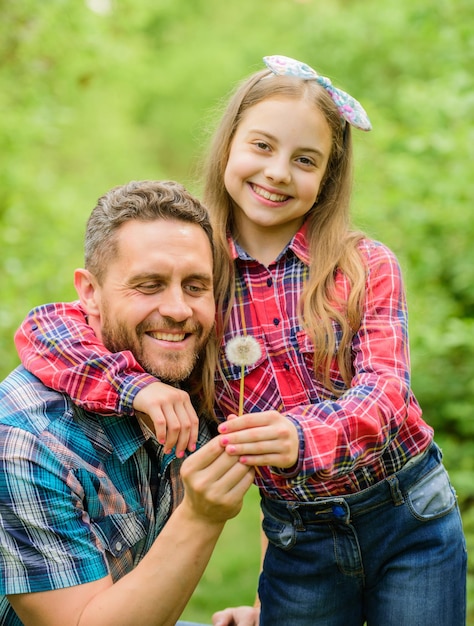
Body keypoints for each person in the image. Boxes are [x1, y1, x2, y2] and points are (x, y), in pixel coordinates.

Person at [14, 56, 467, 626]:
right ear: (228, 146)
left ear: (327, 177)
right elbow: (48, 330)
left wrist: (302, 434)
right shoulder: (203, 275)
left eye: (305, 160)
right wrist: (137, 389)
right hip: (298, 538)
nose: (278, 172)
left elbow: (387, 391)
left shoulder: (361, 265)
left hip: (409, 515)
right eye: (262, 147)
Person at [0, 179, 255, 626]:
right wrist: (201, 516)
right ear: (90, 293)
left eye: (195, 286)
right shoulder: (27, 440)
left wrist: (265, 605)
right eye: (150, 284)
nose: (178, 309)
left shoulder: (201, 384)